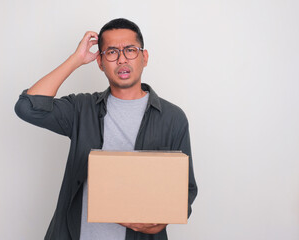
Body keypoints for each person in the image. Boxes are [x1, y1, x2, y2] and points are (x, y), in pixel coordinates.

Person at [15, 18, 197, 240]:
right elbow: (27, 107)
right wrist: (76, 60)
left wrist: (161, 223)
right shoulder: (81, 109)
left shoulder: (172, 118)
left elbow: (185, 189)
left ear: (144, 57)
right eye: (111, 52)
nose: (121, 59)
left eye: (130, 50)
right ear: (100, 62)